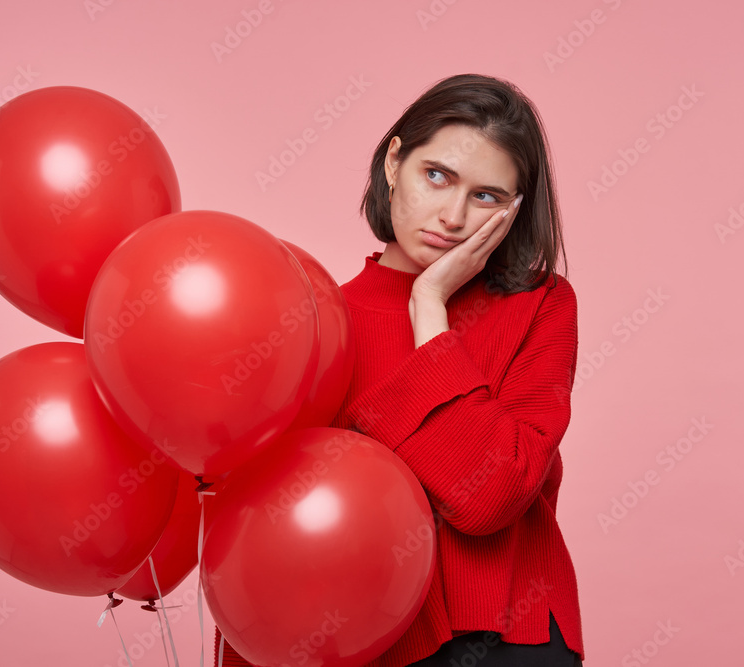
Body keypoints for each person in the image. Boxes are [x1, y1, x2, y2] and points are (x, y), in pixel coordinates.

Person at [214, 73, 584, 667]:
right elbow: (266, 531)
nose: (453, 216)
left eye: (487, 196)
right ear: (394, 164)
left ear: (515, 210)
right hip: (363, 647)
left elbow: (491, 494)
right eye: (436, 176)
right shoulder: (315, 323)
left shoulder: (540, 305)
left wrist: (429, 306)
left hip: (512, 639)